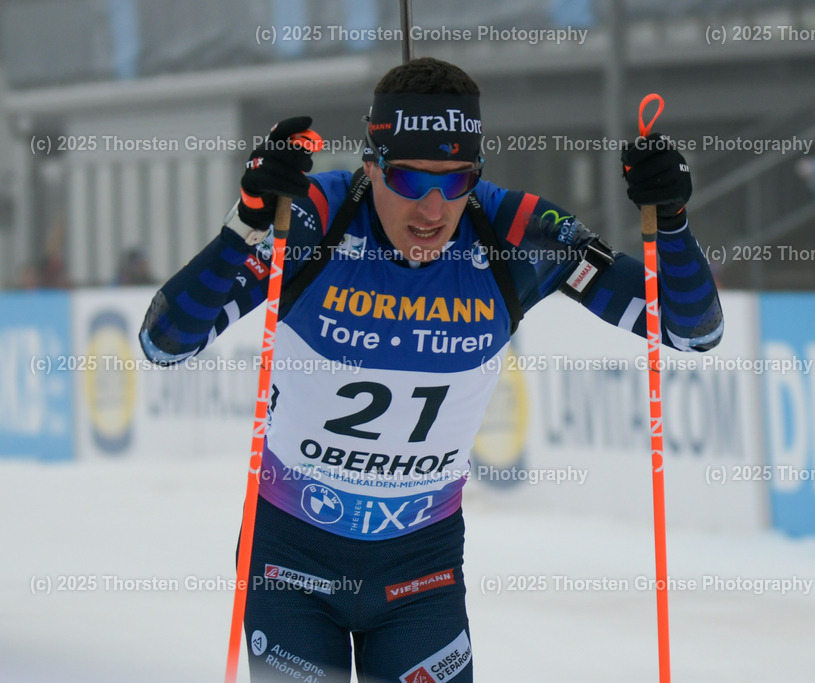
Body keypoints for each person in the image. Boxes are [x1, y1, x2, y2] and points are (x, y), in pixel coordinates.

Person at [139, 57, 722, 682]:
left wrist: (674, 219)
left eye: (457, 179)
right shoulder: (313, 218)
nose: (433, 209)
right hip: (289, 565)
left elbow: (692, 331)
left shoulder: (513, 233)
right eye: (411, 180)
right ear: (371, 164)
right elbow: (164, 342)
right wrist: (246, 225)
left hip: (422, 573)